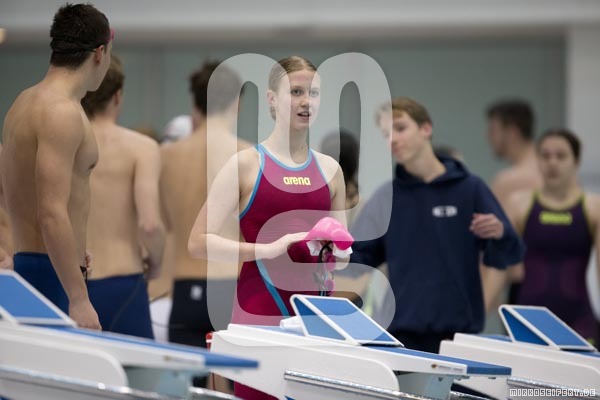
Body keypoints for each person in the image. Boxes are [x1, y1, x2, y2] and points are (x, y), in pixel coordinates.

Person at [188, 56, 347, 399]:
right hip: (259, 310)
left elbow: (343, 255)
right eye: (296, 92)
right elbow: (198, 242)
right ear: (272, 99)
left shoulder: (331, 170)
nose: (306, 101)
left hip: (316, 319)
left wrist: (334, 249)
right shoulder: (246, 164)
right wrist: (268, 249)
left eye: (314, 93)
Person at [350, 97, 525, 353]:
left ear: (426, 129)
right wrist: (323, 248)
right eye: (386, 134)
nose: (393, 140)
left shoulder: (470, 189)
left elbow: (511, 254)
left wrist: (500, 233)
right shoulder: (387, 198)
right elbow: (357, 257)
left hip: (459, 336)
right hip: (401, 336)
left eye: (400, 128)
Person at [0, 3, 112, 329]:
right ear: (99, 53)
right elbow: (50, 212)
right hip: (52, 278)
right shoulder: (61, 112)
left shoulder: (21, 103)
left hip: (34, 265)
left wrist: (73, 248)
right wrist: (78, 298)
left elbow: (13, 191)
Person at [157, 60, 251, 387]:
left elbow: (163, 223)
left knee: (189, 389)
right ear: (237, 103)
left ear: (195, 104)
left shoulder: (167, 157)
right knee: (232, 388)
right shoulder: (248, 156)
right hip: (231, 288)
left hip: (185, 288)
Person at [81, 55, 164, 338]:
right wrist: (156, 263)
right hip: (124, 284)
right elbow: (150, 224)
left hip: (74, 282)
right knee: (136, 367)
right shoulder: (142, 148)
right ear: (118, 96)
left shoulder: (65, 146)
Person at [506, 129, 600, 345]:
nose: (552, 163)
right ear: (537, 160)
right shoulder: (519, 204)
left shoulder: (593, 207)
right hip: (528, 320)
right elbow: (498, 270)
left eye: (561, 156)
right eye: (545, 155)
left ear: (576, 161)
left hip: (578, 319)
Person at [486, 99, 543, 304]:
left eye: (493, 130)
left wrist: (486, 298)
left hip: (523, 285)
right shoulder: (554, 174)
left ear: (511, 132)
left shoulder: (510, 180)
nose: (488, 138)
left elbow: (492, 241)